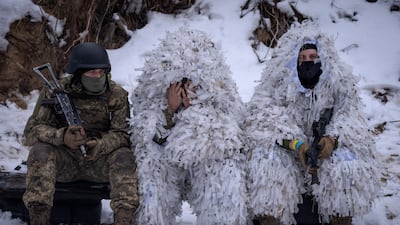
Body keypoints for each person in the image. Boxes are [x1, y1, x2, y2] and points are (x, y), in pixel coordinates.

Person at [244, 21, 381, 225]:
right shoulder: (275, 87)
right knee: (266, 159)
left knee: (347, 162)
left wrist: (331, 140)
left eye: (313, 57)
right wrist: (295, 145)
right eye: (302, 58)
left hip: (324, 161)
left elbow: (351, 117)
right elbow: (263, 120)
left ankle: (339, 217)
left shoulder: (339, 86)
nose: (308, 62)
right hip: (290, 160)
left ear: (323, 59)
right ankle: (270, 217)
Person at [129, 28, 249, 225]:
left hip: (203, 164)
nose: (186, 86)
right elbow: (145, 136)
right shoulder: (153, 96)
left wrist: (195, 111)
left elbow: (230, 133)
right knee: (151, 170)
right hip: (167, 163)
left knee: (224, 168)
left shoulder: (222, 95)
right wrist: (169, 110)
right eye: (180, 81)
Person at [23, 42, 138, 225]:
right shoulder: (56, 92)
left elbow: (123, 134)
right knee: (40, 152)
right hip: (64, 161)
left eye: (102, 72)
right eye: (92, 72)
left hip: (98, 163)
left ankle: (124, 219)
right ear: (78, 73)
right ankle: (39, 217)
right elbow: (31, 132)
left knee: (124, 156)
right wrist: (62, 137)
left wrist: (100, 145)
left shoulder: (116, 94)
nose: (98, 76)